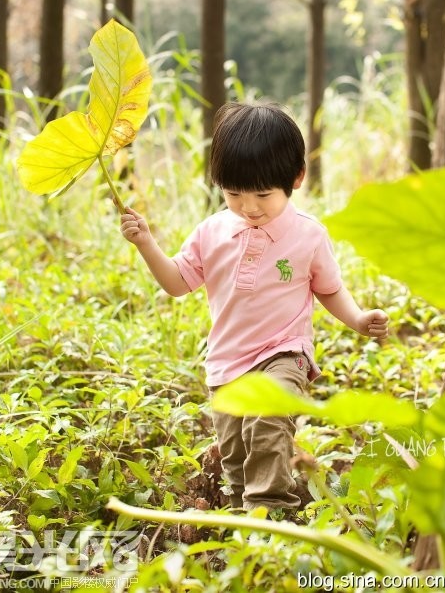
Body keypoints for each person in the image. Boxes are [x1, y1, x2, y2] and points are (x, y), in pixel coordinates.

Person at [119, 101, 389, 515]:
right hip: (227, 362)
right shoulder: (212, 231)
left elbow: (329, 289)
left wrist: (357, 318)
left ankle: (271, 511)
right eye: (233, 194)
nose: (249, 206)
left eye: (263, 194)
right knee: (237, 454)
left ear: (295, 178)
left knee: (268, 420)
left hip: (284, 352)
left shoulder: (308, 235)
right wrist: (146, 244)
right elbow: (177, 282)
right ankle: (246, 510)